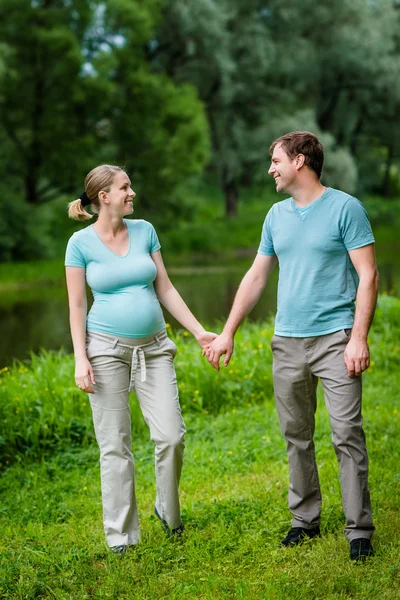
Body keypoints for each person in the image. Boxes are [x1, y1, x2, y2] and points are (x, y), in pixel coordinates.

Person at [204, 132, 379, 562]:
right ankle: (305, 519)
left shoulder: (345, 208)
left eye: (276, 161)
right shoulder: (275, 216)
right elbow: (256, 276)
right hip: (287, 341)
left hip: (335, 339)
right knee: (295, 435)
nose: (271, 169)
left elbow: (368, 275)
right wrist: (228, 331)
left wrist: (358, 338)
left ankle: (359, 531)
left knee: (346, 435)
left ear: (300, 161)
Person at [65, 164, 216, 555]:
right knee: (115, 445)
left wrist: (199, 331)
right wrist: (81, 358)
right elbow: (77, 305)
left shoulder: (145, 231)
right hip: (104, 350)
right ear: (104, 197)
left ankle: (167, 510)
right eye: (125, 187)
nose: (132, 193)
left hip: (155, 348)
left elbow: (164, 286)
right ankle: (121, 536)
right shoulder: (79, 244)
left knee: (171, 435)